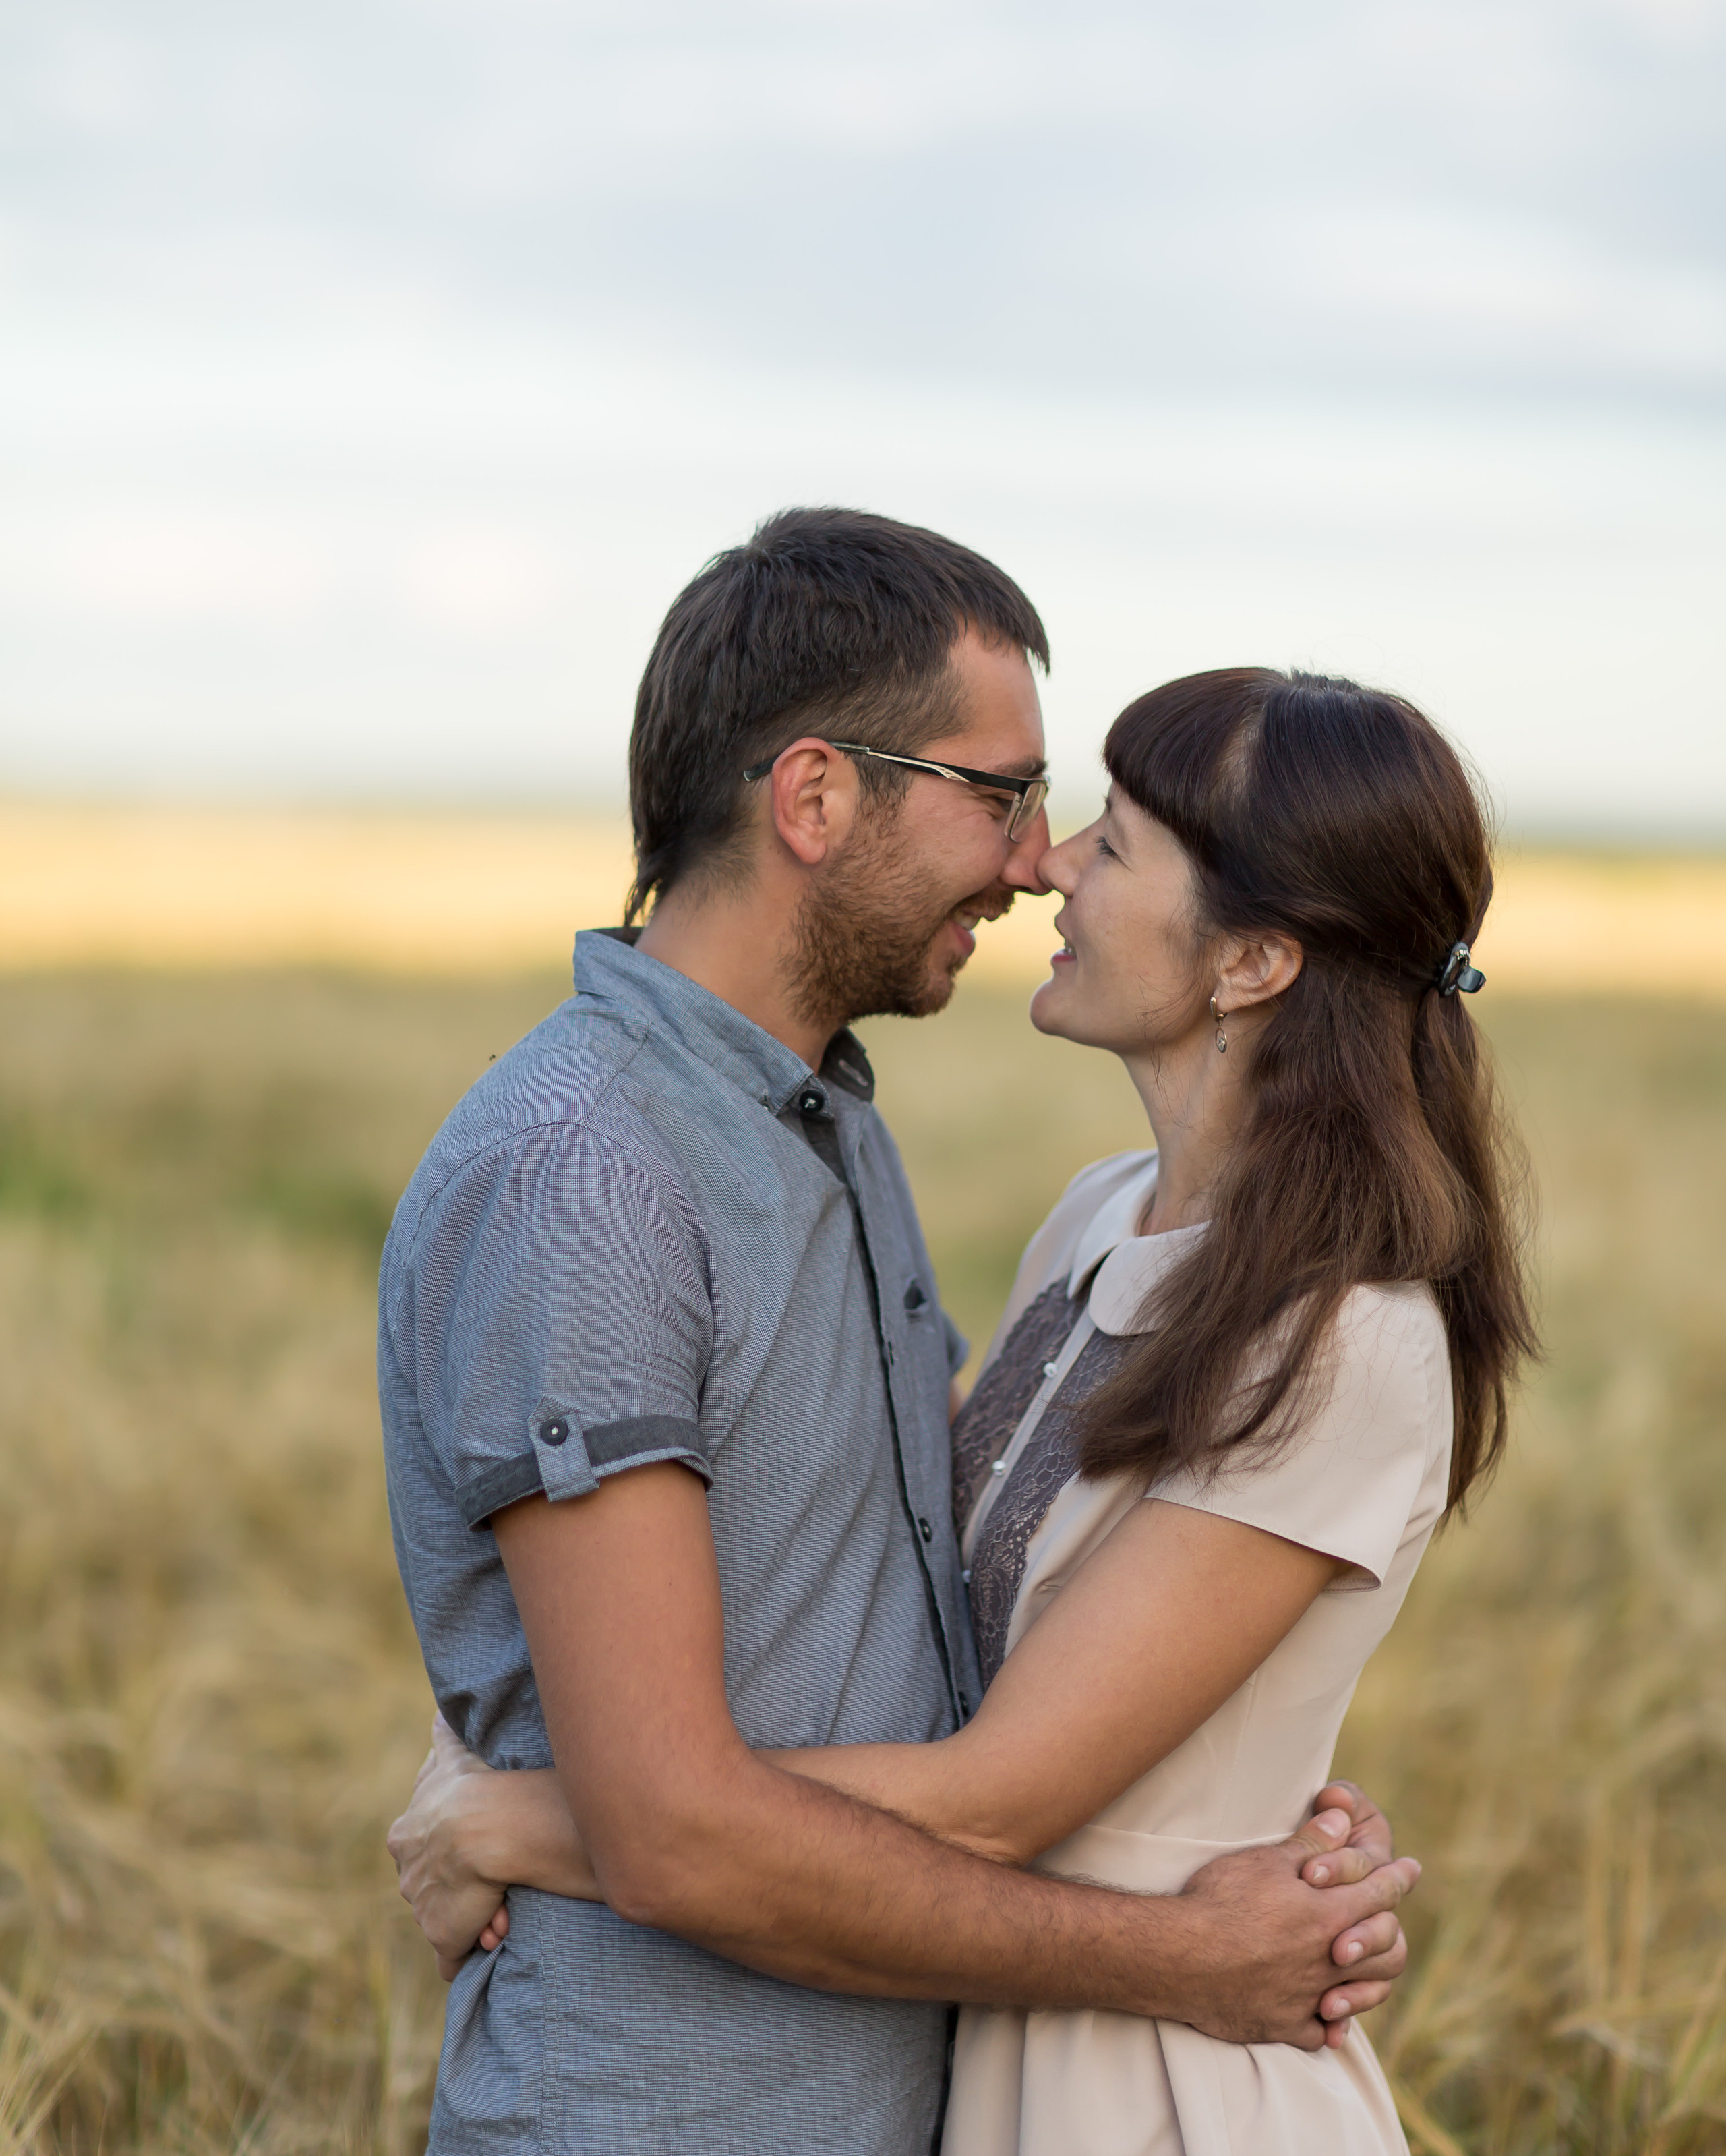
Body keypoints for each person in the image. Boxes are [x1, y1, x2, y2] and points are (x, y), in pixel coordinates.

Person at [378, 515, 1420, 2156]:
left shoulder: (828, 1131)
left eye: (1074, 822)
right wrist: (1189, 1950)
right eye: (1001, 797)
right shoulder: (588, 1173)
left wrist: (1251, 1791)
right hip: (663, 2110)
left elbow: (956, 1589)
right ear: (812, 800)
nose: (1034, 860)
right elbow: (668, 1822)